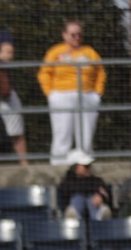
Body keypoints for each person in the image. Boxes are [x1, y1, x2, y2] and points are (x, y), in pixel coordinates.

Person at [41, 20, 104, 165]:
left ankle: (85, 164)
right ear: (64, 35)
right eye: (73, 34)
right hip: (61, 95)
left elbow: (100, 72)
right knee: (62, 132)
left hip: (87, 96)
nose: (77, 37)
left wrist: (97, 94)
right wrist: (50, 94)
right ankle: (59, 164)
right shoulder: (55, 51)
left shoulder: (90, 52)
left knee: (86, 133)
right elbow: (45, 73)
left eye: (79, 34)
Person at [0, 39, 31, 167]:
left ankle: (24, 162)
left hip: (9, 100)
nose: (10, 55)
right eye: (7, 52)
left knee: (17, 131)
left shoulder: (10, 70)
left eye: (12, 52)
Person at [58, 151, 111, 221]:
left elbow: (106, 193)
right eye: (86, 166)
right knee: (77, 198)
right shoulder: (67, 183)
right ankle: (74, 216)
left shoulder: (97, 181)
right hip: (76, 204)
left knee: (91, 199)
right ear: (75, 168)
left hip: (93, 207)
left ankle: (99, 217)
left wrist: (100, 197)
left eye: (89, 166)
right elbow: (65, 197)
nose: (89, 168)